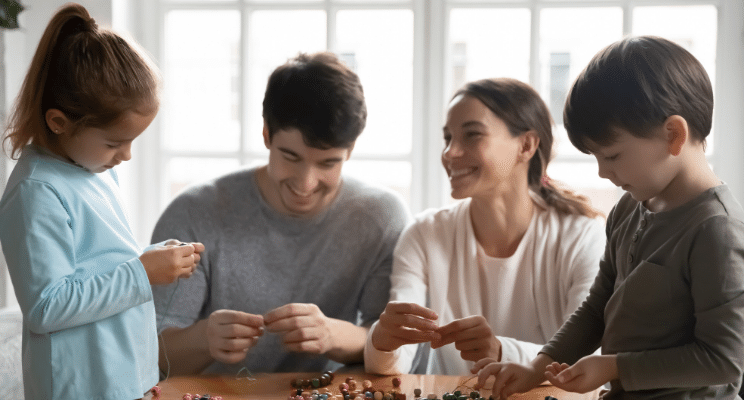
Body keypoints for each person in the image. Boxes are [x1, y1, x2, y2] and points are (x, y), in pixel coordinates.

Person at [472, 36, 744, 399]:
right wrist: (538, 367)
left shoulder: (716, 230)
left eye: (612, 156)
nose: (602, 173)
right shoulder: (630, 206)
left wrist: (614, 366)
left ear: (674, 135)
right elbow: (598, 304)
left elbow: (724, 359)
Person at [151, 51, 410, 375]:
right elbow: (150, 356)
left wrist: (333, 334)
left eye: (328, 163)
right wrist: (204, 339)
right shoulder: (193, 212)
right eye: (291, 156)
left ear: (351, 150)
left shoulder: (381, 218)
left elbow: (391, 346)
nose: (306, 183)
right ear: (266, 135)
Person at [0, 4, 204, 400]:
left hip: (122, 379)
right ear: (59, 122)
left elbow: (98, 265)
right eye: (114, 143)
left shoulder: (92, 169)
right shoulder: (36, 191)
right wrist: (142, 273)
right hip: (80, 387)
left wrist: (150, 260)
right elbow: (47, 307)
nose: (125, 156)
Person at [364, 78, 605, 376]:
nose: (450, 153)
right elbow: (396, 360)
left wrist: (501, 351)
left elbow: (587, 360)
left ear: (526, 145)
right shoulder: (424, 234)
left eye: (472, 135)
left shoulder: (582, 235)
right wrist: (382, 342)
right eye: (448, 138)